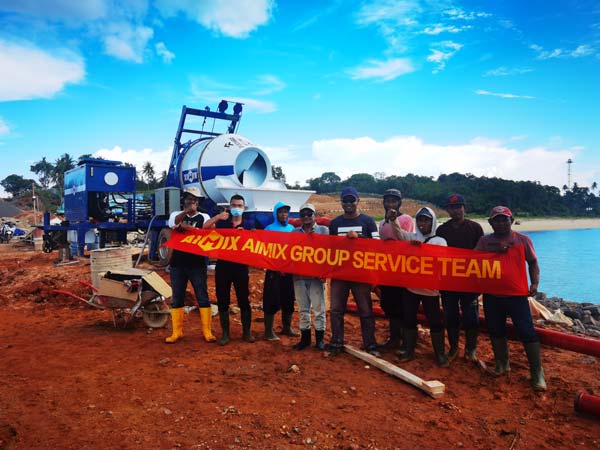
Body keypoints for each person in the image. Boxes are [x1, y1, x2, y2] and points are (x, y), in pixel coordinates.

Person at [475, 206, 546, 391]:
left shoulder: (522, 240)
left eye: (504, 219)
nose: (500, 223)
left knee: (527, 332)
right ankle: (502, 364)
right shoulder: (484, 241)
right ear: (490, 223)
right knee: (496, 331)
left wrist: (535, 284)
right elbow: (472, 262)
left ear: (511, 220)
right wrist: (495, 254)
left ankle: (537, 373)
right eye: (496, 220)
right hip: (491, 296)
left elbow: (533, 263)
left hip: (517, 297)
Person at [326, 187, 381, 357]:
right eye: (345, 201)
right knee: (336, 310)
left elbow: (377, 246)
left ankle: (371, 345)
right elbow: (329, 248)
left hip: (361, 274)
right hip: (340, 274)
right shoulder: (335, 223)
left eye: (352, 201)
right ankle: (336, 342)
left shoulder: (368, 221)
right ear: (341, 203)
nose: (349, 204)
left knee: (365, 311)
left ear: (358, 201)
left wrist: (359, 239)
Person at [394, 207, 449, 367]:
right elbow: (399, 233)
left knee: (435, 321)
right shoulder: (411, 237)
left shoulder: (440, 241)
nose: (423, 223)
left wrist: (421, 250)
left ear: (432, 222)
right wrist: (392, 220)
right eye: (420, 219)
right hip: (411, 288)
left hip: (430, 290)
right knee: (409, 319)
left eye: (426, 220)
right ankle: (409, 351)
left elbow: (441, 261)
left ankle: (440, 353)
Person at [164, 187, 216, 344]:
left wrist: (188, 228)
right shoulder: (176, 214)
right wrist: (185, 213)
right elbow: (174, 223)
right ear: (184, 201)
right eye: (188, 199)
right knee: (177, 297)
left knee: (202, 295)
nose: (191, 202)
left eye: (194, 199)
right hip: (177, 263)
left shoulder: (204, 216)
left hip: (197, 263)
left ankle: (207, 331)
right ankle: (176, 332)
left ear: (198, 201)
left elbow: (208, 231)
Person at [435, 194, 484, 361]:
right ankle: (454, 348)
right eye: (452, 208)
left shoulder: (476, 228)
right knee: (451, 316)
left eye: (459, 207)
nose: (456, 211)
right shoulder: (442, 230)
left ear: (464, 208)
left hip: (470, 282)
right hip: (449, 282)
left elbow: (483, 255)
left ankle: (471, 350)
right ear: (448, 210)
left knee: (472, 317)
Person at [203, 194, 255, 345]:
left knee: (243, 299)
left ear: (244, 208)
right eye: (234, 205)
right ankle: (225, 333)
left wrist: (248, 234)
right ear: (229, 207)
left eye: (239, 205)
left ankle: (247, 332)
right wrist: (218, 216)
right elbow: (205, 228)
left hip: (241, 267)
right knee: (223, 300)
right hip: (223, 266)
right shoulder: (222, 223)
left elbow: (258, 240)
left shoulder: (250, 223)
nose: (237, 208)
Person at [378, 188, 414, 351]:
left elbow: (404, 239)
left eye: (394, 201)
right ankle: (394, 338)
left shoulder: (406, 219)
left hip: (402, 268)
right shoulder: (382, 222)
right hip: (387, 268)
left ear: (399, 202)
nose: (390, 204)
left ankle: (406, 340)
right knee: (389, 303)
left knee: (402, 304)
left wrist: (394, 221)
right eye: (388, 201)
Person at [292, 203, 329, 350]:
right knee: (303, 309)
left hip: (316, 277)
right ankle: (305, 339)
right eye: (303, 214)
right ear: (300, 217)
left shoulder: (324, 230)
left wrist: (325, 272)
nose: (306, 217)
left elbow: (329, 252)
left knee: (319, 309)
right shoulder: (294, 233)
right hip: (299, 276)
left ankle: (319, 339)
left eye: (309, 214)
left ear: (314, 215)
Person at [262, 201, 297, 341]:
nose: (284, 214)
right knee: (271, 299)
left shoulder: (292, 229)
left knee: (289, 299)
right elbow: (263, 249)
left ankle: (287, 327)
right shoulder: (269, 229)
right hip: (273, 271)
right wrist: (275, 266)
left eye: (286, 212)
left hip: (289, 271)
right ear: (276, 213)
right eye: (281, 212)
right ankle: (268, 331)